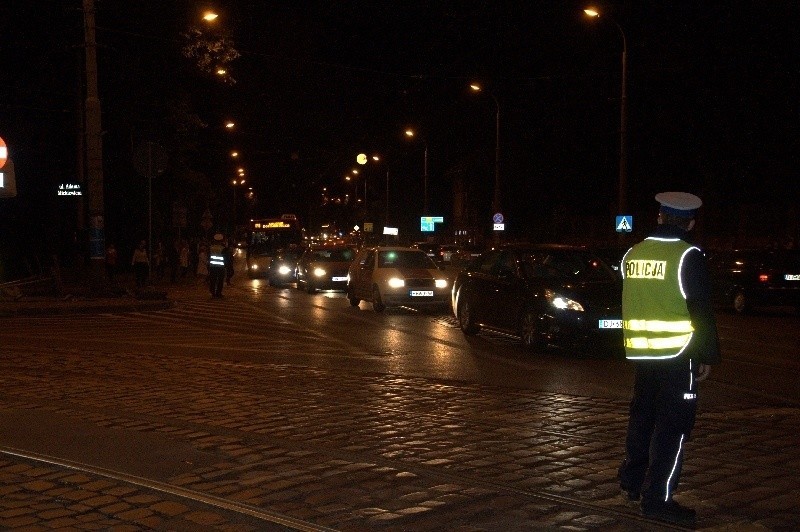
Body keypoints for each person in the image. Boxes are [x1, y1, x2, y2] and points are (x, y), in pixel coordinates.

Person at [618, 192, 721, 527]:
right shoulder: (688, 255)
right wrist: (706, 354)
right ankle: (659, 498)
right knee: (673, 428)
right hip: (678, 354)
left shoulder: (633, 253)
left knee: (642, 417)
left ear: (660, 217)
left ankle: (632, 483)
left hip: (641, 352)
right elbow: (701, 309)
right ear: (690, 223)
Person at [208, 233, 229, 298]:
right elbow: (226, 258)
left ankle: (213, 293)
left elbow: (208, 257)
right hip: (221, 267)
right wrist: (226, 266)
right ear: (221, 240)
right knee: (220, 280)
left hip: (212, 267)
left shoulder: (211, 247)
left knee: (213, 280)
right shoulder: (223, 248)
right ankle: (218, 293)